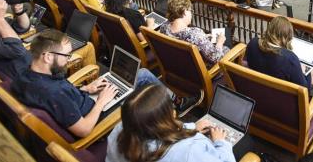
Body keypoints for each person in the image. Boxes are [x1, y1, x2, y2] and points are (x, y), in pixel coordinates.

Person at [11, 29, 203, 138]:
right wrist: (102, 101)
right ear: (47, 56)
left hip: (87, 101)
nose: (69, 60)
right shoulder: (54, 94)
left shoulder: (26, 75)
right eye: (66, 55)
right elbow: (84, 130)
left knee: (137, 75)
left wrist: (85, 88)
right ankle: (174, 109)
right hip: (100, 119)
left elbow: (64, 94)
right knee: (143, 76)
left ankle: (172, 103)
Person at [106, 84, 235, 162]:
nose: (174, 111)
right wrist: (221, 143)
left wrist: (192, 126)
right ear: (166, 118)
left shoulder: (120, 130)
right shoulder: (189, 149)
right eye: (171, 108)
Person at [246, 16, 313, 94]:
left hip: (255, 91)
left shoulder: (252, 43)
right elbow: (305, 90)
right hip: (281, 101)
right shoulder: (290, 59)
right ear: (287, 37)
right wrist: (308, 72)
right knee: (312, 76)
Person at [158, 0, 228, 68]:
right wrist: (220, 42)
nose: (191, 14)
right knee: (229, 47)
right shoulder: (195, 34)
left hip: (180, 67)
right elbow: (216, 58)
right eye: (190, 11)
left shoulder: (164, 27)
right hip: (205, 73)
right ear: (185, 11)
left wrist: (204, 36)